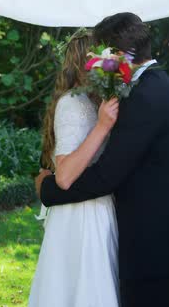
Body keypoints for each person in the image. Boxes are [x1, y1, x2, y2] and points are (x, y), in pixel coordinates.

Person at [35, 12, 169, 307]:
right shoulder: (163, 85)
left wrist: (48, 190)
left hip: (158, 250)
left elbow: (107, 174)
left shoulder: (144, 97)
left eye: (102, 56)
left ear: (117, 55)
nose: (97, 64)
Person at [28, 30, 121, 306]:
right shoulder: (72, 103)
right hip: (81, 218)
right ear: (86, 61)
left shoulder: (95, 101)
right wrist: (103, 126)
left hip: (99, 208)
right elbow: (65, 176)